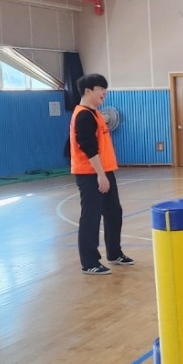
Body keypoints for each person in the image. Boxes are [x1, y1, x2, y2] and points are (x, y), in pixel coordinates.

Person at [69, 73, 134, 275]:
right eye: (100, 89)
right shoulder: (83, 115)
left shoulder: (95, 113)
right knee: (91, 216)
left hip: (104, 171)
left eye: (105, 89)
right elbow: (88, 147)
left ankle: (114, 253)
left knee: (114, 212)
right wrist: (100, 174)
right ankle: (89, 262)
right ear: (88, 91)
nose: (104, 93)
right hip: (90, 173)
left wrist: (105, 173)